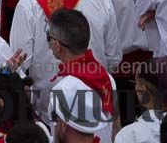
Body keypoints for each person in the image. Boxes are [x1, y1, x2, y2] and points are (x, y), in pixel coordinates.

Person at [9, 0, 121, 117]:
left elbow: (20, 63)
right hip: (97, 106)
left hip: (47, 111)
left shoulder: (29, 3)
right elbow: (113, 58)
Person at [47, 8, 117, 143]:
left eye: (49, 37)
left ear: (57, 45)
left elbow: (59, 138)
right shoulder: (107, 79)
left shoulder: (62, 90)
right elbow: (115, 128)